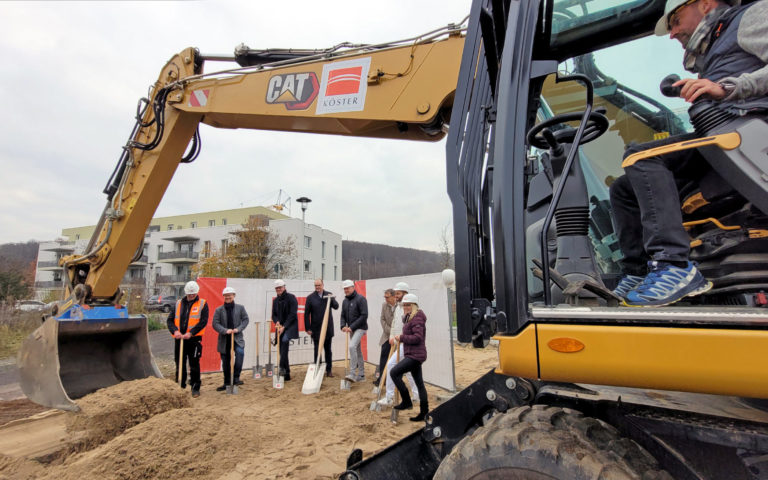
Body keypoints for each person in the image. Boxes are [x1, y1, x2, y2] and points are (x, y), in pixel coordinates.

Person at [610, 0, 768, 307]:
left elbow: (737, 85)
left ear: (706, 4)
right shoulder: (716, 46)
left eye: (675, 20)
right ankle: (639, 270)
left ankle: (675, 266)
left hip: (747, 141)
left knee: (642, 158)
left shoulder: (753, 16)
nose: (672, 33)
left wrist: (727, 87)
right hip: (723, 146)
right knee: (623, 188)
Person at [379, 282, 420, 406]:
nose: (396, 295)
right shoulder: (398, 307)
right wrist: (392, 336)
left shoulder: (409, 309)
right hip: (398, 341)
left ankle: (389, 397)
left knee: (391, 365)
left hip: (407, 344)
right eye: (395, 293)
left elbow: (408, 328)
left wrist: (400, 338)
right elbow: (395, 324)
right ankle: (417, 394)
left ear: (405, 293)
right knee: (408, 371)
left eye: (398, 293)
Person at [390, 293, 429, 422]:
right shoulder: (409, 317)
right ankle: (424, 413)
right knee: (420, 384)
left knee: (394, 372)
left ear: (414, 305)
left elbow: (418, 337)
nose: (405, 307)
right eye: (404, 305)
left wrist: (402, 338)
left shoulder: (417, 318)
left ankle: (406, 401)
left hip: (415, 355)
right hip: (413, 354)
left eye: (408, 305)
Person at [167, 280, 208, 398]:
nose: (191, 296)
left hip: (194, 340)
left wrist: (191, 333)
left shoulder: (202, 304)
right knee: (179, 363)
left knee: (194, 364)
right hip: (179, 339)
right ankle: (180, 385)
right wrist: (175, 331)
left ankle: (195, 387)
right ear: (185, 293)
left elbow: (203, 322)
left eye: (193, 294)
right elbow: (170, 320)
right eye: (189, 294)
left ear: (197, 293)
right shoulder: (178, 303)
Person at [212, 286, 249, 391]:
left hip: (237, 338)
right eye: (226, 295)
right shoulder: (219, 310)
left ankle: (236, 377)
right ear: (223, 296)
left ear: (234, 296)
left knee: (240, 353)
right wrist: (224, 330)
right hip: (224, 340)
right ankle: (227, 382)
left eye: (230, 295)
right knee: (226, 361)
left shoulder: (240, 308)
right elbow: (215, 323)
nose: (228, 297)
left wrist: (238, 329)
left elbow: (245, 320)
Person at [304, 278, 339, 377]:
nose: (317, 287)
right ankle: (317, 369)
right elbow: (306, 314)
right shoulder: (310, 298)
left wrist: (331, 299)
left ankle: (329, 370)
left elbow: (336, 306)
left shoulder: (329, 294)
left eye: (319, 285)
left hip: (327, 328)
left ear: (323, 285)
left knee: (328, 350)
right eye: (316, 286)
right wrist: (308, 328)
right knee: (317, 350)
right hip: (316, 329)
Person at [340, 279, 368, 382]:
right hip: (351, 329)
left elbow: (364, 315)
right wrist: (343, 325)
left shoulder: (361, 299)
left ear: (353, 287)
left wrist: (352, 327)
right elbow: (343, 315)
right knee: (357, 351)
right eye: (344, 289)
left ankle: (352, 373)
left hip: (360, 328)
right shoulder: (345, 301)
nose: (346, 290)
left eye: (347, 288)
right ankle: (361, 375)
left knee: (352, 346)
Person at [271, 279, 298, 381]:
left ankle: (281, 368)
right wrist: (276, 321)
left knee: (285, 341)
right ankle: (287, 374)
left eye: (280, 287)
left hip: (290, 326)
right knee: (282, 350)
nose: (278, 289)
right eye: (277, 288)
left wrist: (284, 326)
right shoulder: (275, 300)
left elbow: (293, 314)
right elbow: (273, 315)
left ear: (284, 287)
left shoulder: (291, 298)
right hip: (280, 327)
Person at [373, 288, 396, 387]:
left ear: (393, 296)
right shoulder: (384, 305)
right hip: (387, 336)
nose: (385, 299)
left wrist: (395, 333)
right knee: (383, 357)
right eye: (385, 297)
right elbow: (382, 319)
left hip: (397, 337)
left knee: (394, 360)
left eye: (387, 297)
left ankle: (392, 380)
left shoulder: (400, 306)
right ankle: (381, 378)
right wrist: (389, 331)